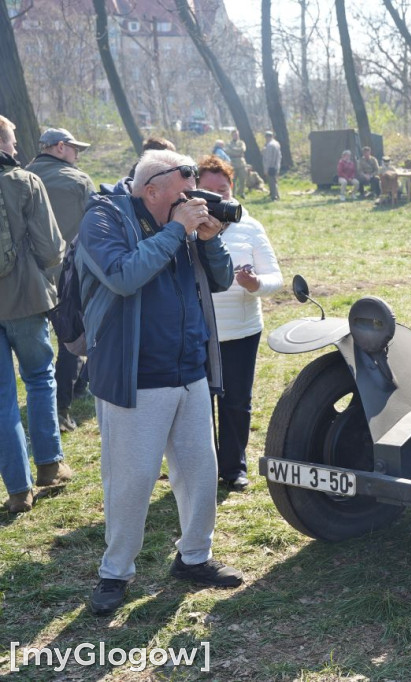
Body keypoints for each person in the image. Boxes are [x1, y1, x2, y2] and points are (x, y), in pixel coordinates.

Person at [77, 149, 243, 615]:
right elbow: (123, 277)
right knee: (131, 481)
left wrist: (209, 240)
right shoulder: (102, 220)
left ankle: (194, 558)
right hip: (137, 377)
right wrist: (178, 231)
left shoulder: (184, 223)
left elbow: (221, 279)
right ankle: (115, 572)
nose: (195, 190)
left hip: (190, 370)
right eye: (185, 180)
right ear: (152, 189)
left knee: (199, 475)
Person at [196, 156, 282, 491]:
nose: (218, 197)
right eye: (209, 191)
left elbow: (276, 277)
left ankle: (233, 469)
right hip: (199, 330)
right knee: (199, 405)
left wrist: (255, 284)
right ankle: (202, 468)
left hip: (242, 330)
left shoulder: (250, 225)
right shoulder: (185, 224)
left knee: (236, 403)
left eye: (224, 190)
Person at [0, 115, 71, 514]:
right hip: (26, 298)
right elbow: (49, 248)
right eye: (10, 141)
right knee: (40, 379)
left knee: (1, 400)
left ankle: (17, 490)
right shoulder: (26, 182)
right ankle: (48, 466)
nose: (14, 148)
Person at [26, 128, 96, 432]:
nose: (77, 154)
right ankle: (62, 406)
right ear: (59, 148)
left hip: (27, 276)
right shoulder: (79, 180)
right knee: (72, 337)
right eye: (73, 148)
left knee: (37, 344)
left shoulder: (20, 177)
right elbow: (95, 229)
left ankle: (53, 397)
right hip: (69, 274)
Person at [226, 129, 247, 199]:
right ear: (232, 135)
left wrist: (234, 149)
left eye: (237, 135)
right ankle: (233, 194)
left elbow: (243, 149)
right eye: (235, 135)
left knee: (243, 179)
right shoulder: (229, 143)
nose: (236, 136)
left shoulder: (241, 142)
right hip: (233, 163)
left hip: (241, 163)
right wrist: (237, 150)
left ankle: (242, 192)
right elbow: (228, 151)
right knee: (233, 180)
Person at [262, 130, 281, 201]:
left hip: (270, 166)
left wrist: (266, 169)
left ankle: (274, 196)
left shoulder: (270, 145)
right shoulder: (276, 143)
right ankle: (274, 194)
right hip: (276, 165)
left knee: (272, 182)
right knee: (274, 181)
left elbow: (268, 158)